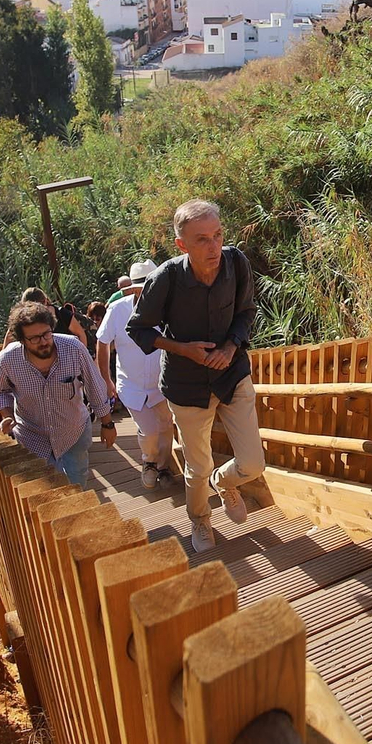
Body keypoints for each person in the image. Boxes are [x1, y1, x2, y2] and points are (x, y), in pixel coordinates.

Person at [127, 200, 264, 550]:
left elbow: (247, 311)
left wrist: (231, 347)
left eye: (217, 235)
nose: (214, 246)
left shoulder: (236, 263)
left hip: (232, 375)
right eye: (202, 239)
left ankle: (226, 481)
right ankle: (200, 521)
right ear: (182, 244)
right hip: (186, 386)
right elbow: (138, 329)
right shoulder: (165, 279)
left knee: (252, 463)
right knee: (197, 465)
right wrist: (182, 348)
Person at [0, 301, 116, 487]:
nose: (43, 342)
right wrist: (7, 416)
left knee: (77, 485)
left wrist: (108, 423)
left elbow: (94, 386)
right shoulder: (9, 359)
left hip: (73, 431)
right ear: (21, 340)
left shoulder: (73, 348)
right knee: (45, 489)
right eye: (34, 338)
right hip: (32, 437)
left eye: (46, 334)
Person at [97, 260, 176, 491]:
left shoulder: (169, 308)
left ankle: (163, 466)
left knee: (166, 425)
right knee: (149, 429)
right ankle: (149, 462)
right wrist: (106, 379)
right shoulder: (117, 310)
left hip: (163, 383)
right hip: (131, 384)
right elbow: (102, 343)